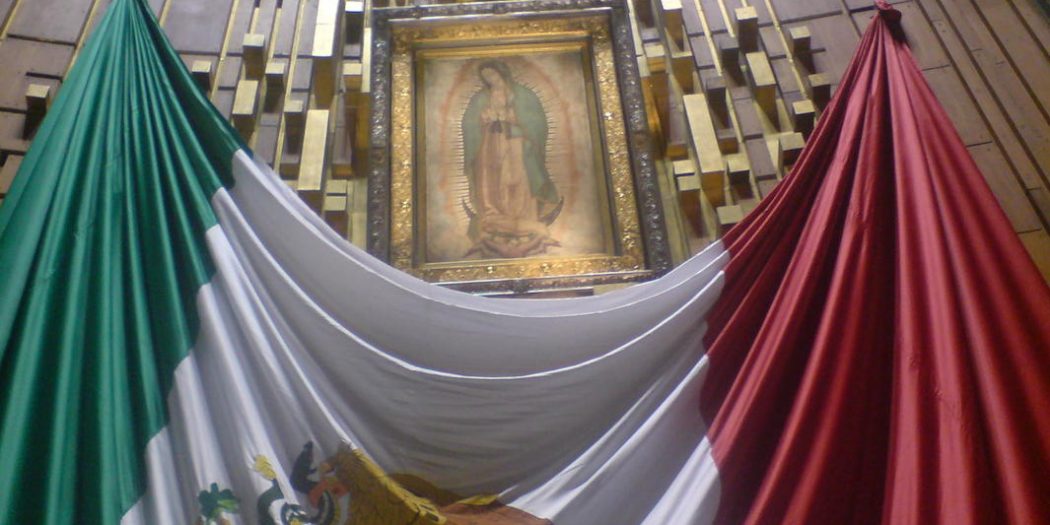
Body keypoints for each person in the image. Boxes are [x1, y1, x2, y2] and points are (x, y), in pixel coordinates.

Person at [461, 60, 562, 259]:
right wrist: (483, 119)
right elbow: (469, 124)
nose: (491, 79)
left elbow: (537, 122)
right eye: (486, 77)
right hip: (489, 143)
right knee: (492, 177)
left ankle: (523, 216)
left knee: (518, 176)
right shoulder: (480, 98)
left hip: (517, 142)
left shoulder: (524, 95)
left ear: (502, 73)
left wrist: (513, 118)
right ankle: (493, 215)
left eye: (493, 75)